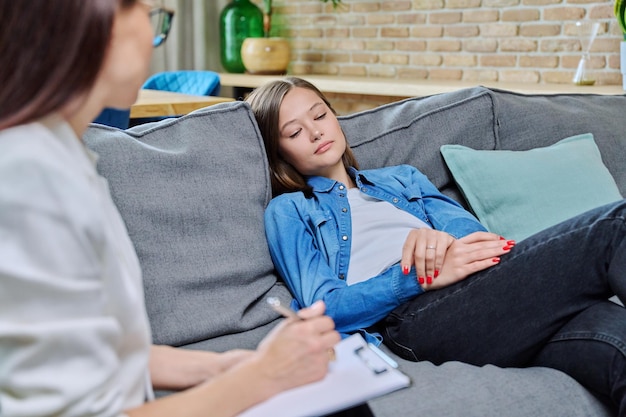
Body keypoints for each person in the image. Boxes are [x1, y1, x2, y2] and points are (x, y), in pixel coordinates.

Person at [0, 3, 344, 417]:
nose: (152, 38)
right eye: (147, 18)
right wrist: (263, 378)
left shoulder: (64, 156)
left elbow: (96, 351)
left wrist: (220, 366)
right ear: (93, 26)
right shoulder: (26, 180)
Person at [245, 76, 626, 415]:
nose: (314, 133)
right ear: (279, 154)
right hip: (416, 318)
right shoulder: (290, 210)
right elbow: (323, 308)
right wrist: (415, 276)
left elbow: (475, 238)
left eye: (319, 115)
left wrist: (441, 242)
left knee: (616, 339)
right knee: (615, 225)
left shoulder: (403, 179)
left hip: (485, 290)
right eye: (293, 133)